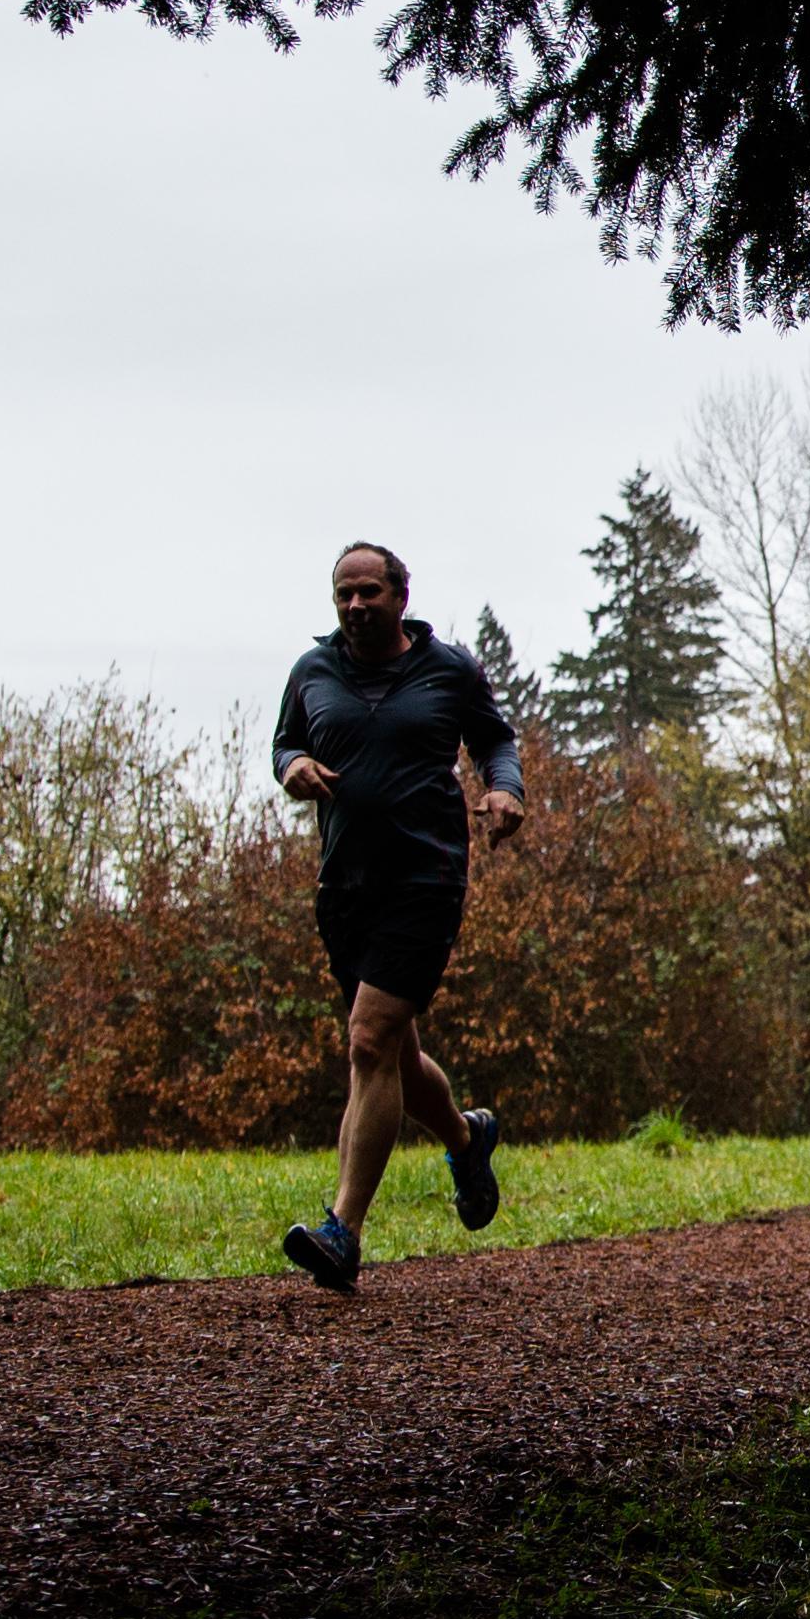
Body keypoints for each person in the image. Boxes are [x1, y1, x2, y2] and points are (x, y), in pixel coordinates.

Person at [272, 538, 524, 1292]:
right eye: (344, 595)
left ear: (399, 597)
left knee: (368, 1038)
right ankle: (465, 1134)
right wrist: (293, 769)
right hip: (345, 885)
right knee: (393, 1056)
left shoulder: (446, 669)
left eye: (369, 593)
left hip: (427, 876)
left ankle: (342, 1232)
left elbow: (495, 738)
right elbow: (284, 741)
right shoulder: (311, 672)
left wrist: (504, 789)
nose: (355, 606)